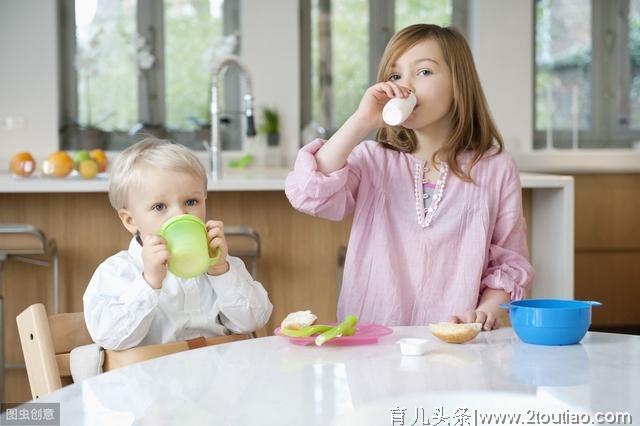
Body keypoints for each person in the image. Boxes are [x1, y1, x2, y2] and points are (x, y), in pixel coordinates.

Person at [285, 24, 534, 330]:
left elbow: (509, 262)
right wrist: (361, 120)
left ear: (459, 83)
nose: (406, 87)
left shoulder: (495, 168)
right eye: (395, 76)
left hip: (455, 341)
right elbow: (308, 194)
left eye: (424, 72)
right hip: (373, 340)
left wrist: (486, 311)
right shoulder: (372, 159)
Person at [84, 138, 272, 350]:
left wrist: (221, 271)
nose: (180, 214)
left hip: (218, 375)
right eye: (159, 206)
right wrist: (149, 282)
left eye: (191, 202)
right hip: (152, 379)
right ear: (131, 220)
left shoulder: (221, 264)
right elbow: (110, 337)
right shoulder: (116, 272)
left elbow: (255, 320)